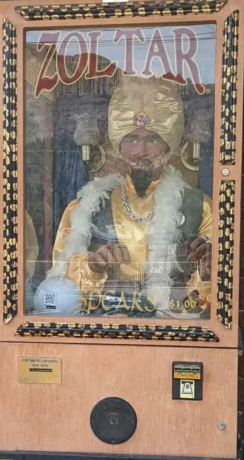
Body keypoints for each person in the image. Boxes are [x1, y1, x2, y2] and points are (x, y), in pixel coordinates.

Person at [50, 74, 212, 317]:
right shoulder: (87, 205)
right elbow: (59, 290)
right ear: (119, 146)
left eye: (152, 139)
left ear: (167, 147)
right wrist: (93, 266)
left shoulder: (199, 206)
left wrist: (205, 272)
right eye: (132, 139)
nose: (141, 151)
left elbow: (209, 299)